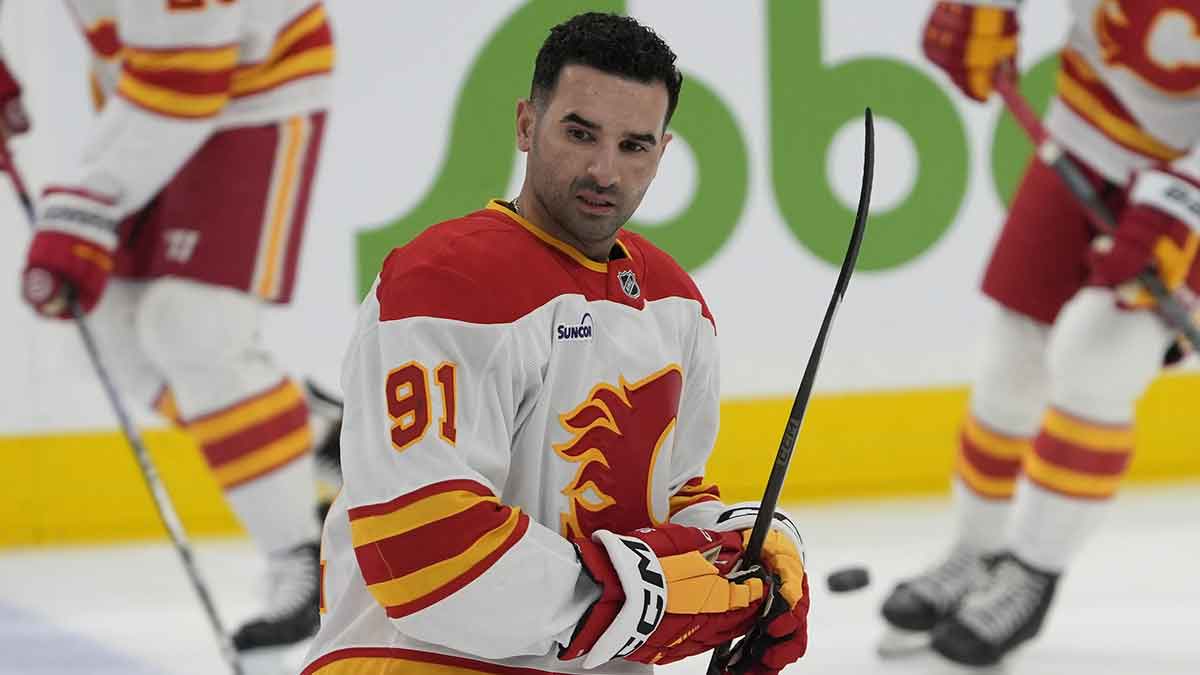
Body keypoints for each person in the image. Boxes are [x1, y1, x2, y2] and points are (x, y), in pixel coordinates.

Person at [303, 12, 810, 675]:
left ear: (662, 152)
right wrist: (652, 599)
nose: (605, 170)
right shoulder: (446, 282)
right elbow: (426, 558)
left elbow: (669, 497)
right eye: (580, 133)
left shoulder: (674, 303)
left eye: (634, 145)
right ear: (525, 125)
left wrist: (747, 549)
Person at [3, 0, 338, 654]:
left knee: (193, 329)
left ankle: (301, 557)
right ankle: (324, 433)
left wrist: (86, 204)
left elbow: (191, 70)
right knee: (105, 328)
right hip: (145, 85)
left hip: (255, 82)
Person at [882, 0, 1200, 667]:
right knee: (1011, 363)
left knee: (1098, 357)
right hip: (1084, 130)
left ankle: (1033, 570)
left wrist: (1182, 203)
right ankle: (976, 552)